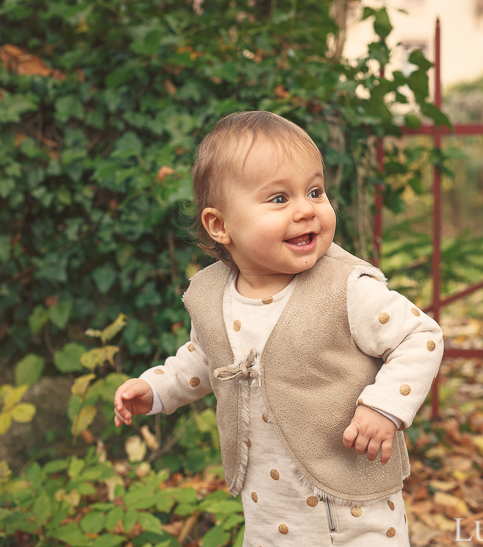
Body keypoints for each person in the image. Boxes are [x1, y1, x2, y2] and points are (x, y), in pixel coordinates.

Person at [113, 111, 443, 546]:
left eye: (314, 191)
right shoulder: (214, 294)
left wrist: (383, 407)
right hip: (270, 513)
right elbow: (207, 358)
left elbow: (421, 337)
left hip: (354, 513)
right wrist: (155, 389)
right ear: (220, 225)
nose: (306, 209)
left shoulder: (345, 288)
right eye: (279, 199)